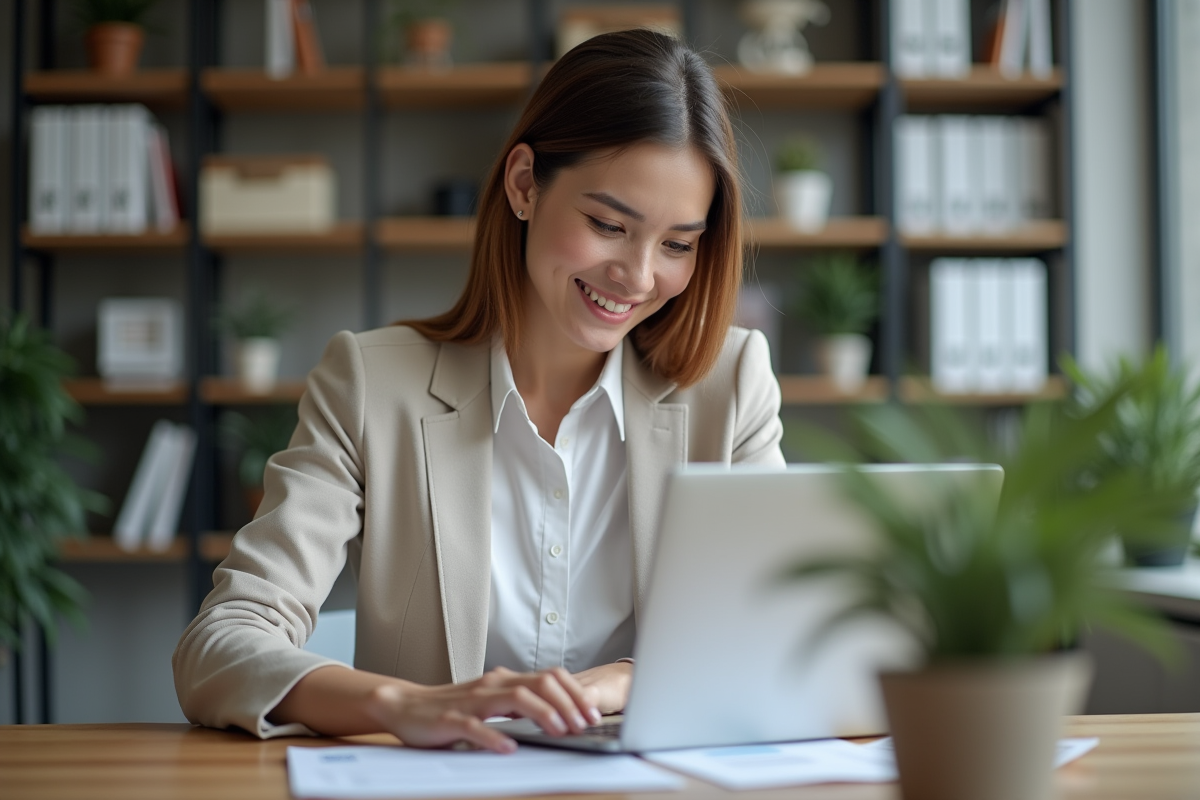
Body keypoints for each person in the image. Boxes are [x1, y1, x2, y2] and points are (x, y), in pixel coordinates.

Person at [173, 29, 785, 753]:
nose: (640, 275)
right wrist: (404, 704)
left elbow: (772, 640)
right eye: (608, 225)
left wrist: (622, 680)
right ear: (524, 184)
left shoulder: (732, 385)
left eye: (678, 244)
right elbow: (219, 646)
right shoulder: (372, 385)